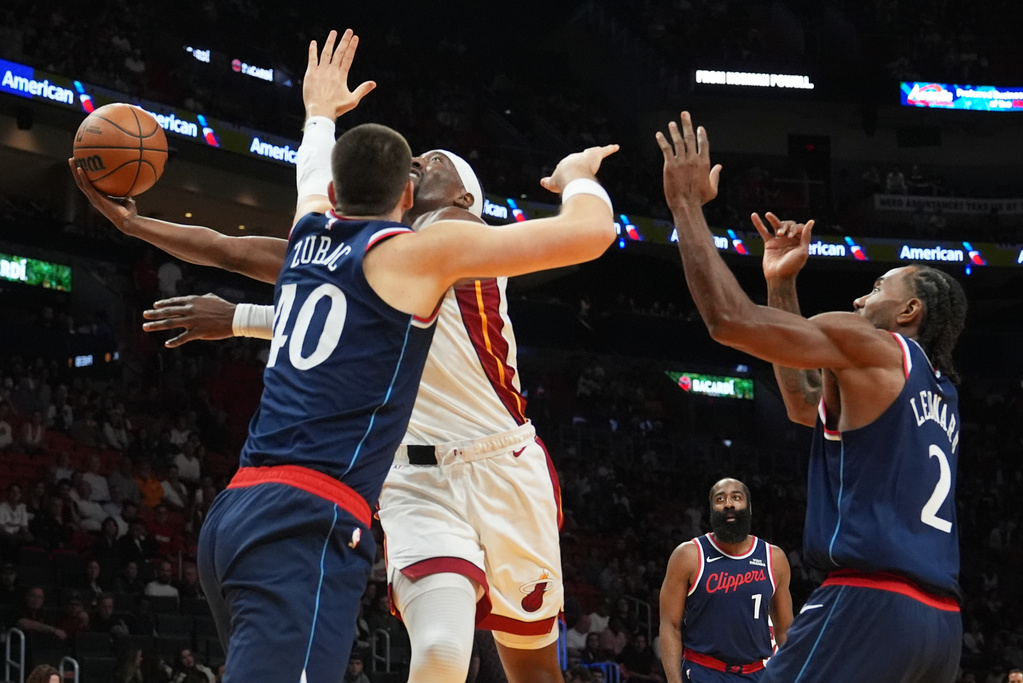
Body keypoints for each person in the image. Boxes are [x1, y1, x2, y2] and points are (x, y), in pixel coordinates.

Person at [72, 30, 615, 683]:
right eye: (410, 162)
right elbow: (276, 274)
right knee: (441, 651)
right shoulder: (367, 255)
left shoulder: (449, 239)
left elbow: (286, 242)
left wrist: (579, 179)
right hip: (410, 482)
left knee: (531, 670)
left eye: (432, 159)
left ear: (463, 198)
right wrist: (231, 309)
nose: (416, 164)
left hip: (500, 466)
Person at [657, 111, 966, 682]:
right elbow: (802, 405)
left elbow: (728, 320)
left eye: (876, 288)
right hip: (941, 623)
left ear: (909, 311)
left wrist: (685, 207)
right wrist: (780, 284)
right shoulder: (941, 391)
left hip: (870, 601)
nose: (858, 299)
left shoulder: (873, 346)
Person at [658, 489, 792, 682]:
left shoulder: (774, 558)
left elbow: (784, 629)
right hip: (704, 671)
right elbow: (670, 626)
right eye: (720, 499)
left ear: (749, 508)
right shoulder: (688, 555)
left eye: (736, 497)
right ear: (712, 510)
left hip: (756, 673)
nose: (729, 504)